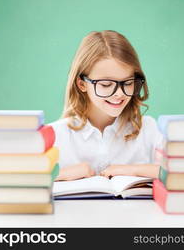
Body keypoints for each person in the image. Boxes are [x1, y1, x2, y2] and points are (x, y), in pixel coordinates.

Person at [50, 30, 164, 181]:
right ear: (82, 84)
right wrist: (60, 174)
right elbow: (19, 179)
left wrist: (133, 170)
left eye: (128, 83)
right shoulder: (56, 135)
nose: (119, 94)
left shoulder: (149, 130)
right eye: (106, 84)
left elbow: (181, 173)